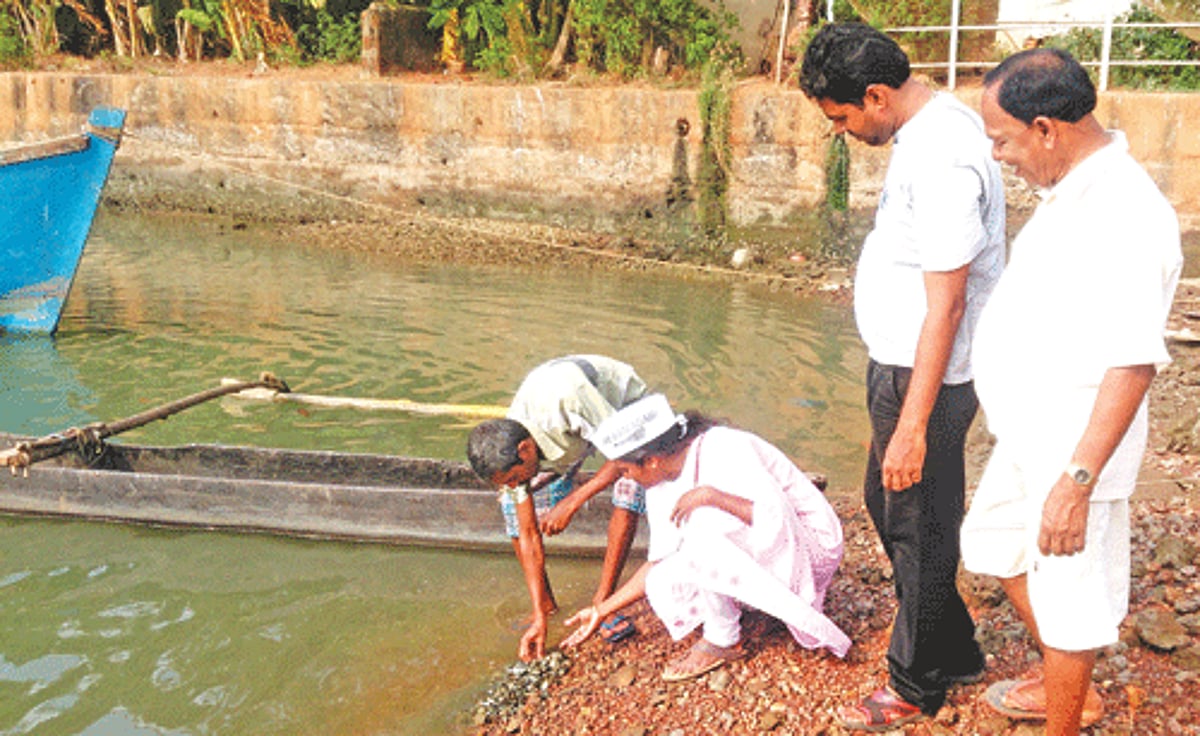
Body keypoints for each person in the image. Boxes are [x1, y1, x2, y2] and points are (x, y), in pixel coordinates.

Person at [963, 47, 1182, 736]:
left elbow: (1133, 360)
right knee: (993, 545)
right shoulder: (1073, 191)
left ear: (1047, 129)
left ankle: (1068, 713)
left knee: (1071, 593)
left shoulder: (1125, 212)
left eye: (1002, 139)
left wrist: (1077, 481)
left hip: (1075, 448)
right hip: (1032, 433)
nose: (999, 155)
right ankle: (1069, 677)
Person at [798, 22, 1006, 730]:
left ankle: (917, 684)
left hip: (929, 376)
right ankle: (957, 646)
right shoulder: (926, 133)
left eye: (842, 116)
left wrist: (912, 425)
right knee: (890, 507)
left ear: (877, 95)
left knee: (917, 523)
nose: (841, 130)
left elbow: (947, 303)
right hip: (901, 366)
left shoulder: (942, 156)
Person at [561, 393, 851, 680]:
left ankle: (723, 639)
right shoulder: (658, 487)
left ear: (650, 461)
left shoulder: (723, 446)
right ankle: (754, 608)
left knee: (701, 523)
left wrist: (711, 496)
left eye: (626, 470)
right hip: (773, 546)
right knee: (663, 577)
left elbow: (775, 518)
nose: (626, 479)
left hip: (812, 546)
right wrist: (601, 610)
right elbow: (660, 561)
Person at [466, 355, 649, 662]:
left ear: (525, 451)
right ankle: (547, 607)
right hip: (568, 439)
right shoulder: (509, 443)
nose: (513, 484)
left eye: (513, 479)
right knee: (512, 511)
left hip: (622, 410)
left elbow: (623, 455)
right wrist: (539, 616)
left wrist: (573, 501)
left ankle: (603, 603)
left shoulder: (570, 399)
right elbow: (527, 532)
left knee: (629, 488)